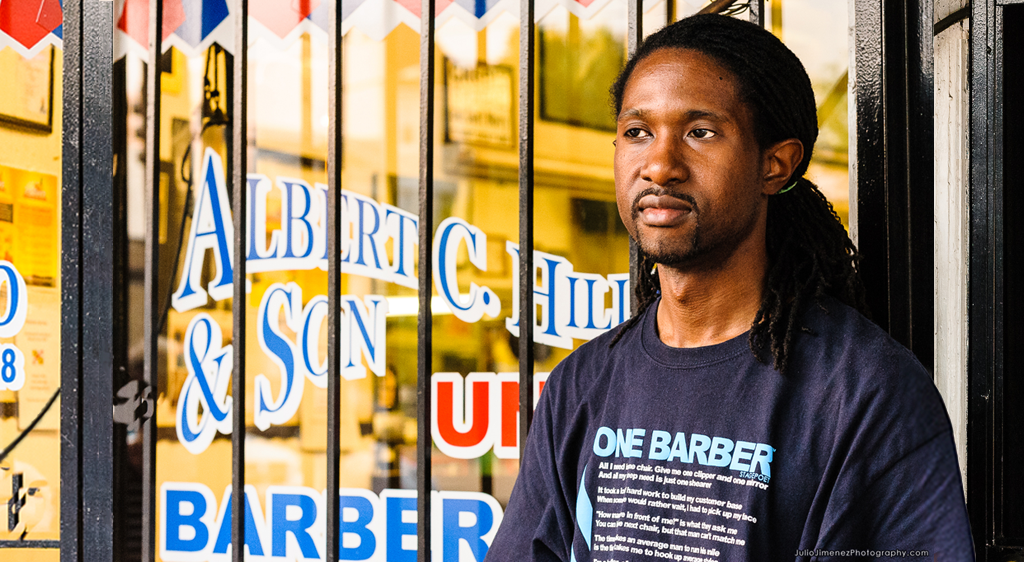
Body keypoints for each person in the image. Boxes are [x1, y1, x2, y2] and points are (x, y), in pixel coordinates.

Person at [485, 14, 974, 562]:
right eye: (638, 132)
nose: (660, 166)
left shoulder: (865, 392)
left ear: (775, 165)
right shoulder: (582, 383)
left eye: (700, 132)